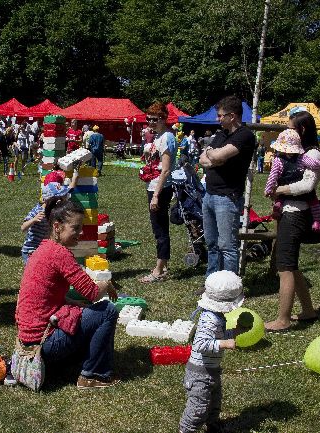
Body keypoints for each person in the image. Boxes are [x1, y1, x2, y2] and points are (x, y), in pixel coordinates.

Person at [16, 197, 120, 389]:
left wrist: (75, 303)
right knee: (107, 311)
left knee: (84, 310)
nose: (80, 233)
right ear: (57, 226)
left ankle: (76, 362)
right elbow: (92, 293)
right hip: (44, 343)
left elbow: (49, 296)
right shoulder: (59, 254)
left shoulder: (43, 248)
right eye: (75, 228)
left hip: (28, 342)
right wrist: (106, 283)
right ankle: (93, 374)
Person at [264, 111, 320, 331]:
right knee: (291, 264)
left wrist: (279, 189)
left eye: (290, 128)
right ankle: (308, 310)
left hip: (296, 214)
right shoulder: (301, 154)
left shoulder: (313, 155)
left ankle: (283, 319)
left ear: (302, 130)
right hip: (290, 211)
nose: (286, 132)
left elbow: (307, 186)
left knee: (285, 267)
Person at [179, 270, 250, 433]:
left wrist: (234, 332)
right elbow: (201, 344)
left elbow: (219, 335)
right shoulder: (209, 319)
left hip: (212, 370)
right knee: (198, 407)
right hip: (199, 373)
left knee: (214, 402)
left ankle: (213, 424)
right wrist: (225, 343)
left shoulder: (218, 316)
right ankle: (186, 429)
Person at [199, 96, 256, 277]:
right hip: (209, 195)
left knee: (228, 246)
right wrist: (212, 155)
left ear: (232, 116)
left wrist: (213, 156)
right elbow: (203, 159)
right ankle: (211, 284)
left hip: (227, 197)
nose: (218, 119)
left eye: (220, 115)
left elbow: (214, 157)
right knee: (212, 243)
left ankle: (230, 288)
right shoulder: (222, 134)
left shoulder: (245, 135)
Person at [140, 102, 177, 283]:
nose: (150, 123)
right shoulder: (158, 137)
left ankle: (159, 270)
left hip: (160, 188)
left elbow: (166, 169)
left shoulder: (167, 137)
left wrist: (155, 194)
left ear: (163, 119)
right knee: (159, 228)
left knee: (160, 229)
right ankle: (162, 264)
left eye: (154, 120)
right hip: (154, 185)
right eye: (148, 119)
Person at [264, 128, 320, 233]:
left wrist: (268, 189)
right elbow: (313, 163)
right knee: (314, 203)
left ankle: (277, 207)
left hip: (285, 189)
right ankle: (317, 221)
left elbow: (273, 176)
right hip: (299, 188)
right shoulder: (302, 157)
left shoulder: (278, 160)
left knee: (280, 199)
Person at [21, 174, 79, 264]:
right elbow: (23, 228)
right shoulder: (38, 211)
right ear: (47, 199)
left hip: (44, 247)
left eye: (62, 197)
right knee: (36, 271)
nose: (61, 200)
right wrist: (33, 220)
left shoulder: (55, 209)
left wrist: (75, 176)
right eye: (59, 198)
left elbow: (69, 189)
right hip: (31, 250)